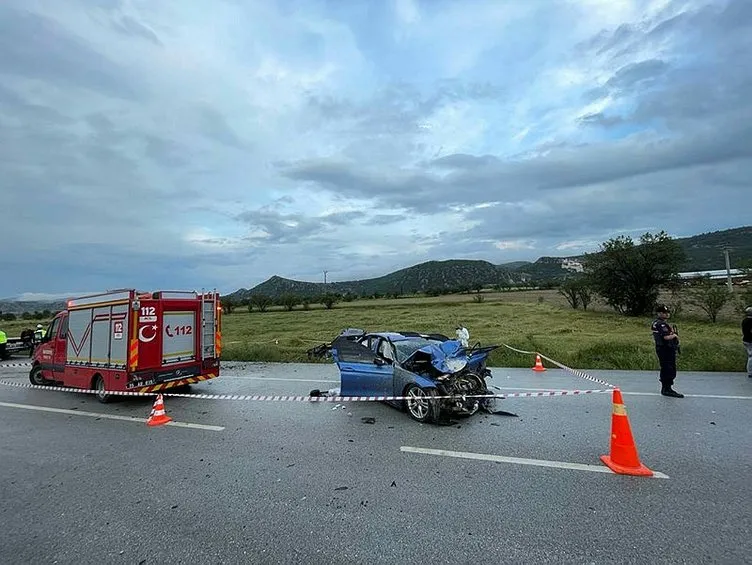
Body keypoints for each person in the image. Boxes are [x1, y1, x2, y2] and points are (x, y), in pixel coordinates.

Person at [651, 304, 684, 398]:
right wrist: (675, 336)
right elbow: (666, 337)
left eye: (667, 312)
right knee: (668, 368)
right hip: (665, 348)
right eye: (664, 313)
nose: (666, 314)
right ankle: (667, 389)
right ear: (659, 313)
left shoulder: (660, 323)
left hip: (666, 348)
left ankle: (667, 388)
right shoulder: (660, 324)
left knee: (667, 367)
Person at [743, 306, 752, 378]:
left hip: (745, 340)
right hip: (750, 341)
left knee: (750, 356)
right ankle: (750, 372)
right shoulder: (751, 321)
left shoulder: (744, 321)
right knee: (751, 356)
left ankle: (750, 371)